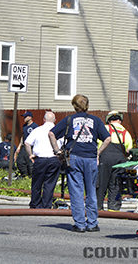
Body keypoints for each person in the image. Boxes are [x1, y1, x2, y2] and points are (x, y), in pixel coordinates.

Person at [48, 94, 111, 233]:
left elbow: (51, 134)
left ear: (74, 106)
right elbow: (107, 138)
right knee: (91, 191)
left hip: (74, 157)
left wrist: (57, 151)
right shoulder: (95, 120)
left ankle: (80, 224)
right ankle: (93, 223)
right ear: (87, 105)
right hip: (91, 158)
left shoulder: (69, 119)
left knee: (76, 191)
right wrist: (98, 153)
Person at [96, 111, 134, 211]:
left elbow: (97, 142)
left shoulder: (105, 128)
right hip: (120, 160)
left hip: (105, 157)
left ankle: (98, 207)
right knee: (116, 184)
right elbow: (128, 149)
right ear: (120, 121)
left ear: (109, 121)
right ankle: (113, 208)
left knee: (101, 183)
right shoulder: (125, 132)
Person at [25, 111, 61, 209]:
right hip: (54, 159)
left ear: (44, 120)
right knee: (49, 183)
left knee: (37, 182)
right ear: (55, 120)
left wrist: (30, 155)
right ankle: (46, 205)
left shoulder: (37, 130)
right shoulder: (59, 131)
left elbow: (27, 143)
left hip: (40, 159)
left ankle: (35, 203)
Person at [15, 111, 38, 177]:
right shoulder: (24, 126)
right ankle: (24, 175)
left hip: (31, 147)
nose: (24, 118)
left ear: (30, 117)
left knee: (30, 162)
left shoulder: (35, 126)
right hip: (24, 146)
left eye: (26, 117)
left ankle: (31, 176)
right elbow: (23, 136)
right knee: (20, 161)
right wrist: (19, 146)